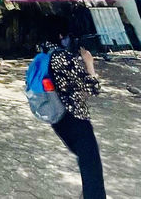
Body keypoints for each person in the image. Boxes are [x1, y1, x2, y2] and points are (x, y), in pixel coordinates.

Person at [47, 19, 106, 199]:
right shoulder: (63, 57)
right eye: (68, 36)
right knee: (92, 167)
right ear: (60, 36)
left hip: (58, 118)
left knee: (85, 162)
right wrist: (89, 64)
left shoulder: (45, 52)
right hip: (75, 118)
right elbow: (92, 88)